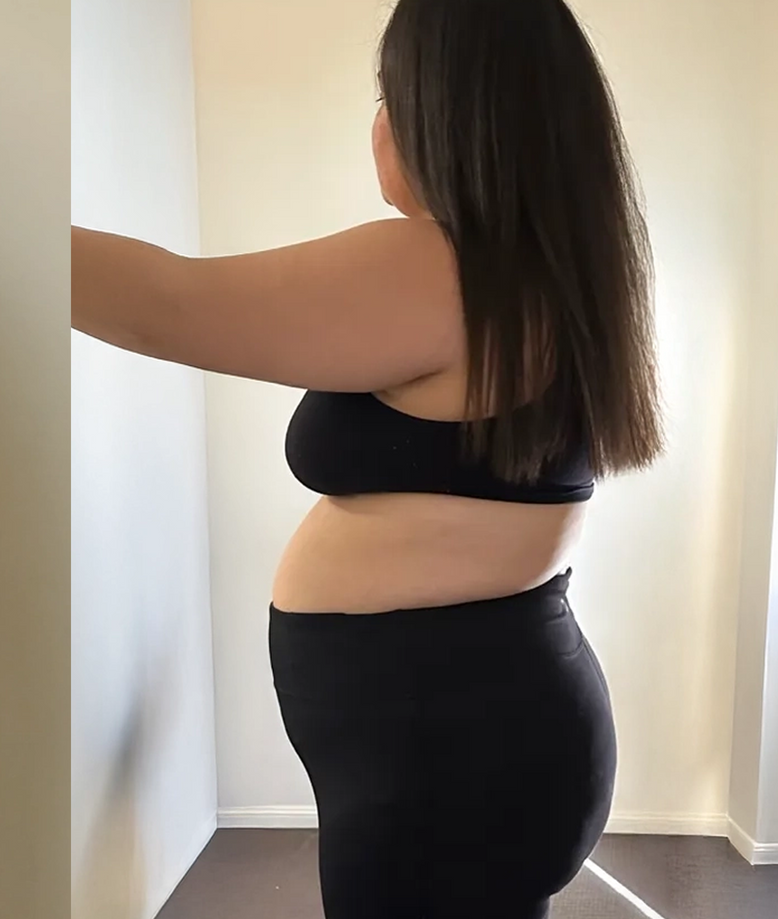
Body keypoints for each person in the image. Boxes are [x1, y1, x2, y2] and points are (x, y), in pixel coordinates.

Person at [71, 0, 664, 916]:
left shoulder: (442, 270)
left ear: (447, 114)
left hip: (448, 761)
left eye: (390, 95)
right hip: (478, 736)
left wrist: (13, 230)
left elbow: (168, 304)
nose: (378, 124)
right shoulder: (544, 274)